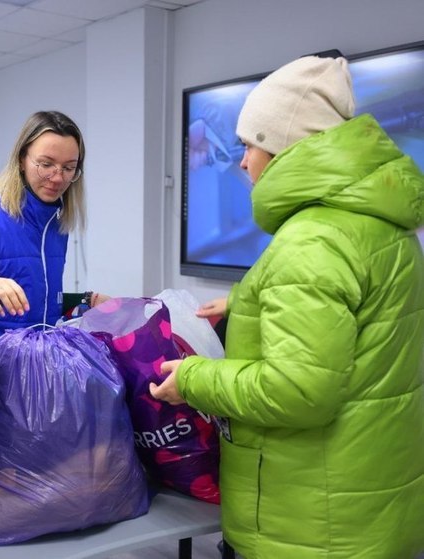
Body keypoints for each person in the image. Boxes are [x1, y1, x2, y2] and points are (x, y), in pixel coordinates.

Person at [150, 55, 424, 558]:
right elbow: (359, 323)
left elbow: (298, 392)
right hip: (367, 505)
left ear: (282, 148)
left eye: (251, 144)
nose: (243, 160)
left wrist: (192, 378)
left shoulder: (311, 242)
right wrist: (251, 303)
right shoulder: (381, 227)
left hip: (308, 525)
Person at [0, 110, 108, 339]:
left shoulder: (54, 223)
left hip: (35, 362)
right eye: (46, 164)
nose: (58, 178)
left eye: (69, 168)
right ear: (21, 160)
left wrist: (88, 300)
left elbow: (38, 301)